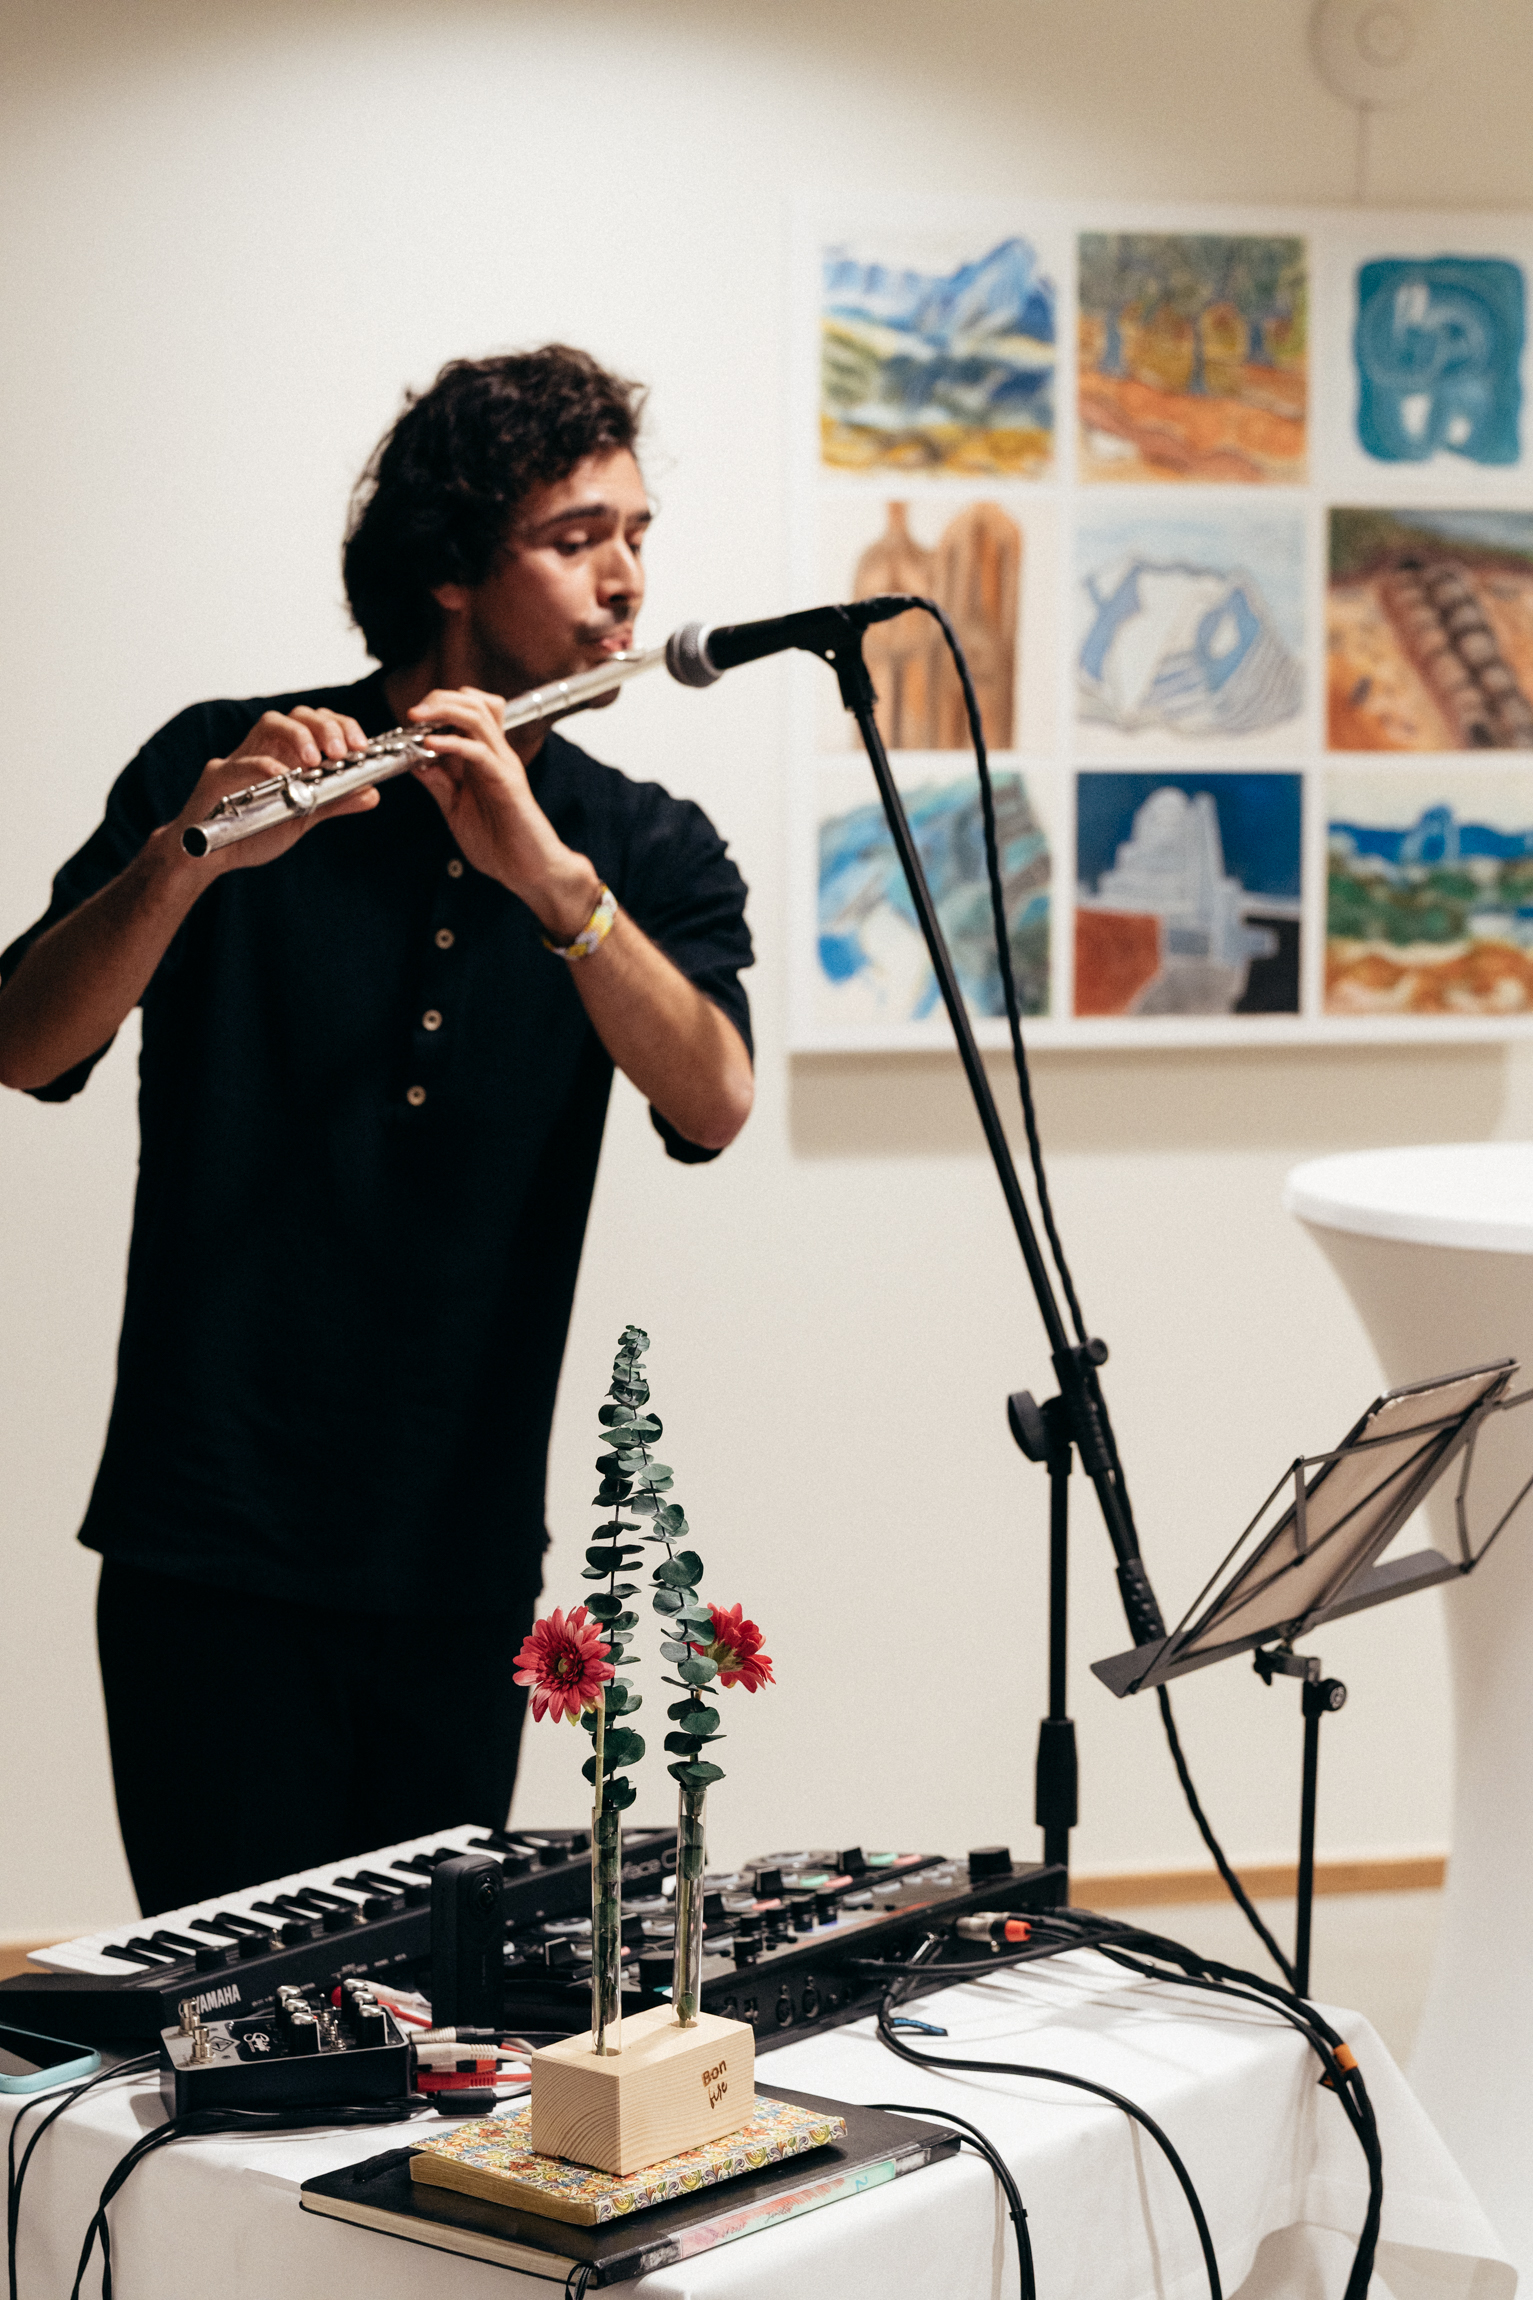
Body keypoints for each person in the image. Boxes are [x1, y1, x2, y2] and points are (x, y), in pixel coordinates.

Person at [0, 347, 754, 1918]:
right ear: (450, 572)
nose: (625, 581)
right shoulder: (221, 760)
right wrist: (191, 858)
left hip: (458, 1549)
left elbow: (712, 1101)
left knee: (429, 2020)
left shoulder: (635, 845)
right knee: (226, 2013)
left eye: (635, 534)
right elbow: (23, 1045)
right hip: (209, 1535)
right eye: (575, 538)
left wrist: (552, 886)